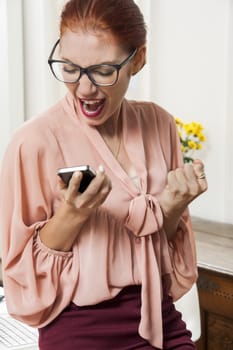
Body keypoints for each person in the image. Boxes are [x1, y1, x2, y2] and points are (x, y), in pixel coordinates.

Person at [0, 0, 208, 349]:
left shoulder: (159, 124)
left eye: (102, 71)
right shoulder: (33, 141)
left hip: (160, 316)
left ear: (137, 60)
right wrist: (73, 214)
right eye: (70, 67)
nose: (84, 88)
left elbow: (160, 248)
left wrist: (173, 204)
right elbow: (21, 271)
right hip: (78, 326)